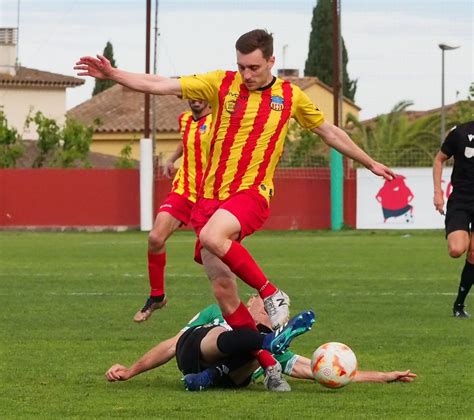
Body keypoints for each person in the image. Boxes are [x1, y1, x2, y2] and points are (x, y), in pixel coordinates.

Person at [76, 29, 394, 352]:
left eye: (254, 67)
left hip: (251, 193)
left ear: (272, 61)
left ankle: (272, 293)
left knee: (212, 237)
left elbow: (329, 132)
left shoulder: (290, 97)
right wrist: (113, 74)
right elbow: (162, 85)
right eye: (242, 66)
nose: (246, 74)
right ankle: (266, 359)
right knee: (224, 290)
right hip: (209, 200)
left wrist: (369, 162)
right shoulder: (221, 83)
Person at [105, 297, 416, 391]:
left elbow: (319, 370)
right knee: (230, 337)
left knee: (263, 351)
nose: (262, 304)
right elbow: (172, 344)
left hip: (227, 379)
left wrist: (383, 375)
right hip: (196, 350)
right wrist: (132, 370)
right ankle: (260, 342)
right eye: (263, 300)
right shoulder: (218, 312)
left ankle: (248, 352)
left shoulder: (277, 350)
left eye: (277, 310)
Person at [134, 100, 212, 322]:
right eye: (191, 96)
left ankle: (236, 311)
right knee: (155, 238)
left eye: (200, 96)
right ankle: (157, 296)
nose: (195, 100)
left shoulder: (219, 121)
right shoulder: (185, 119)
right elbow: (186, 141)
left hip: (210, 196)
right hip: (183, 191)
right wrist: (171, 159)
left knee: (210, 256)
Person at [433, 121, 474, 318]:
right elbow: (439, 160)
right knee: (457, 250)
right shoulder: (460, 133)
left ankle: (459, 305)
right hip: (461, 201)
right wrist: (438, 193)